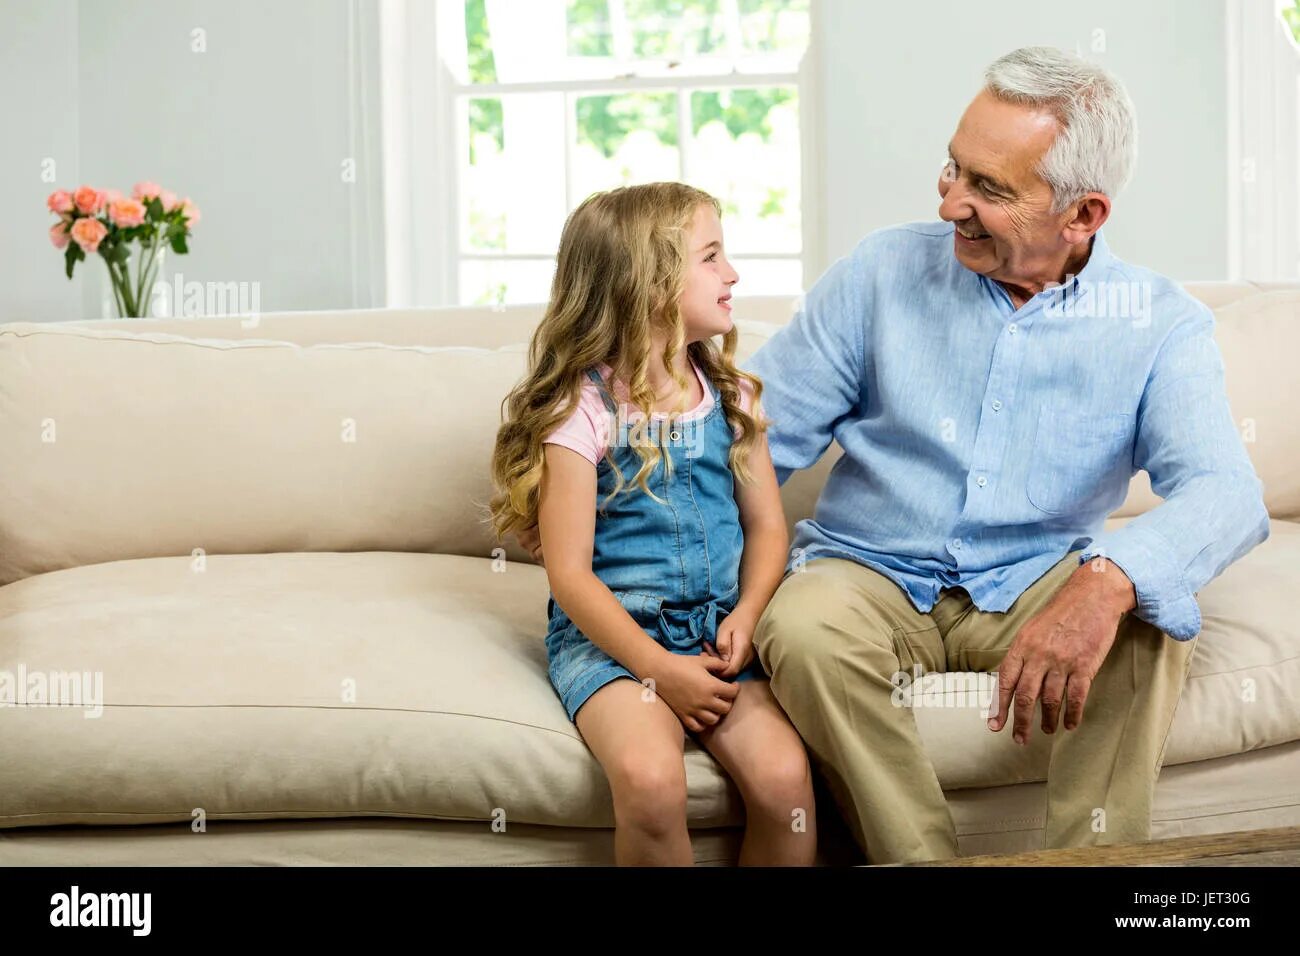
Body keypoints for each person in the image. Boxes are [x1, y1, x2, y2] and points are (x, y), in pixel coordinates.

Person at [519, 48, 1270, 864]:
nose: (950, 202)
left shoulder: (1161, 324)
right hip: (867, 570)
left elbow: (1227, 491)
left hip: (1032, 577)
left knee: (1153, 620)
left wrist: (1109, 580)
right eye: (953, 169)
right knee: (801, 626)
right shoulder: (881, 272)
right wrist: (623, 533)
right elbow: (749, 450)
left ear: (1082, 214)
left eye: (989, 188)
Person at [489, 182, 817, 866]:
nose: (732, 274)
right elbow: (571, 575)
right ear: (650, 283)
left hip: (720, 632)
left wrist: (749, 616)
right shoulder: (579, 414)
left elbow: (767, 529)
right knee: (651, 781)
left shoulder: (735, 398)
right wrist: (660, 671)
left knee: (786, 785)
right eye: (712, 256)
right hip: (614, 645)